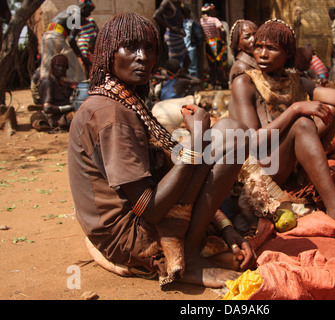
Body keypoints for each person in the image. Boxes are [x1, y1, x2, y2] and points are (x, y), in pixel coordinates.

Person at [68, 13, 256, 289]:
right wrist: (197, 142)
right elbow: (150, 209)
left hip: (145, 213)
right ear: (108, 53)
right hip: (130, 235)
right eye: (131, 47)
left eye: (150, 49)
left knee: (230, 130)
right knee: (229, 136)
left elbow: (169, 173)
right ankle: (187, 259)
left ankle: (194, 244)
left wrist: (225, 228)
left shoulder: (126, 99)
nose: (143, 57)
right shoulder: (111, 114)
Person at [228, 19, 335, 235]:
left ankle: (305, 176)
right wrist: (295, 109)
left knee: (333, 112)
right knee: (302, 123)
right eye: (258, 47)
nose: (262, 54)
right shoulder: (245, 83)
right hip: (261, 167)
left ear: (288, 54)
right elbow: (252, 143)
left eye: (272, 48)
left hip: (286, 164)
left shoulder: (299, 82)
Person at [40, 0, 95, 83]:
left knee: (47, 65)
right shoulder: (77, 16)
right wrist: (82, 57)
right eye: (89, 11)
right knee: (75, 66)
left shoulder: (68, 12)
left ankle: (44, 86)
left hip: (46, 37)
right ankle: (77, 88)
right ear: (84, 8)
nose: (89, 14)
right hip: (56, 38)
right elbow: (71, 40)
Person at [31, 54, 75, 131]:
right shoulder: (48, 83)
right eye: (58, 66)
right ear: (52, 66)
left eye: (63, 66)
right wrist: (70, 107)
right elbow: (47, 108)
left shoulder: (62, 83)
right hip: (54, 117)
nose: (61, 69)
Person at [200, 3, 227, 89]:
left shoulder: (201, 21)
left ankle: (213, 83)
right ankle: (222, 82)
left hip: (208, 45)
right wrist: (224, 40)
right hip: (217, 43)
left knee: (211, 64)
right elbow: (222, 29)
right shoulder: (214, 20)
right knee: (220, 64)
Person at [153, 0, 188, 65]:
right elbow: (156, 16)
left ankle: (180, 73)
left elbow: (187, 15)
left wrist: (182, 5)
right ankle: (173, 74)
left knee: (186, 60)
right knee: (174, 62)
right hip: (172, 37)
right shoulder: (166, 3)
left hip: (179, 36)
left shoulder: (177, 3)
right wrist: (171, 27)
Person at [228, 19, 258, 86]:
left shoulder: (252, 62)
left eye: (255, 34)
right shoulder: (242, 67)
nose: (253, 39)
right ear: (237, 45)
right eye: (247, 37)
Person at [181, 5, 204, 78]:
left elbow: (199, 36)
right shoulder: (181, 23)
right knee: (189, 67)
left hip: (189, 48)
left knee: (191, 68)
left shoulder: (192, 23)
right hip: (183, 48)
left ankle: (193, 86)